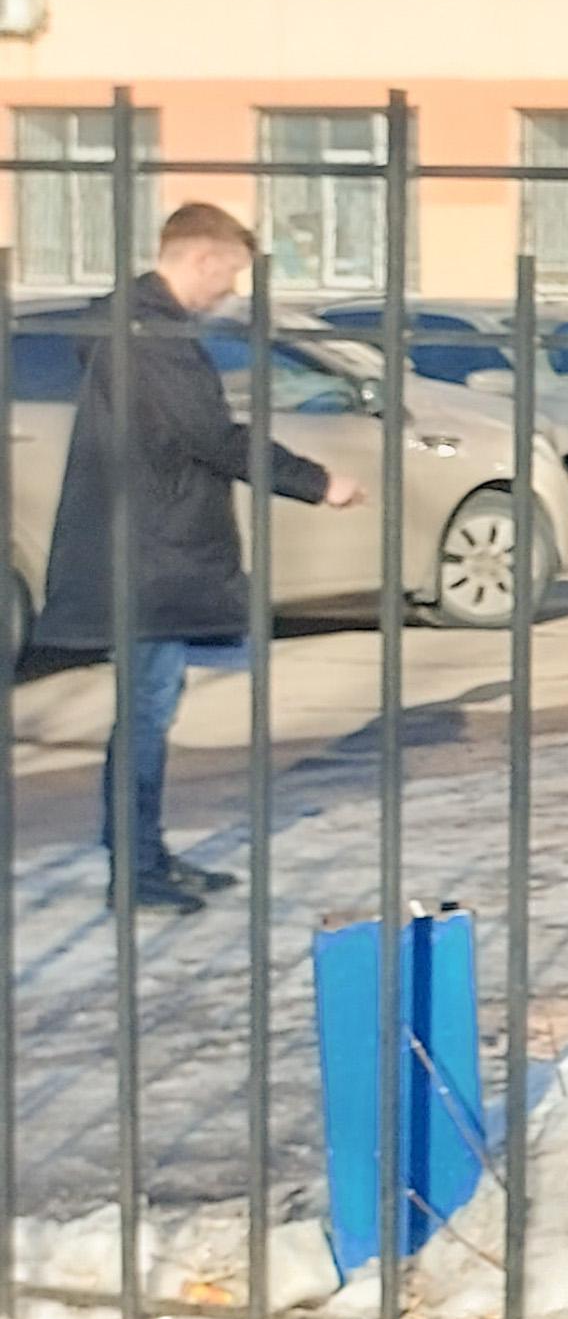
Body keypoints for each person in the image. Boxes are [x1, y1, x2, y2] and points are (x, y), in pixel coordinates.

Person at [26, 203, 360, 915]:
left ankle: (144, 856)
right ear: (201, 258)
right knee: (145, 717)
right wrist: (316, 481)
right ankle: (135, 870)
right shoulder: (150, 336)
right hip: (151, 558)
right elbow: (212, 436)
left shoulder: (139, 327)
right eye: (228, 275)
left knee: (149, 712)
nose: (229, 293)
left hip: (153, 550)